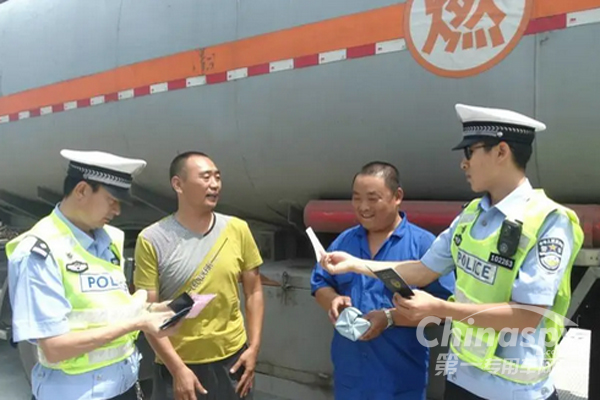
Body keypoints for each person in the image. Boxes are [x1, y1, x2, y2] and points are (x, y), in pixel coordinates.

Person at [318, 104, 584, 400]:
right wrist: (356, 264)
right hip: (461, 379)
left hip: (514, 391)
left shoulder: (549, 222)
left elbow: (525, 317)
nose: (463, 164)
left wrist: (438, 308)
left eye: (470, 152)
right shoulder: (471, 216)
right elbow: (422, 270)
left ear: (501, 152)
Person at [6, 149, 180, 400]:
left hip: (124, 388)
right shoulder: (39, 252)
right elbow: (54, 348)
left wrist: (152, 311)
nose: (117, 211)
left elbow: (104, 309)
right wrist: (138, 323)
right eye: (112, 200)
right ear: (81, 191)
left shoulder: (109, 240)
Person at [310, 161, 455, 400]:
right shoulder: (345, 241)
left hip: (399, 382)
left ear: (397, 197)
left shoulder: (423, 246)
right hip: (350, 379)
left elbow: (445, 310)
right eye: (356, 198)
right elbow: (320, 282)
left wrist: (390, 318)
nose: (363, 207)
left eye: (372, 198)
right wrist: (333, 300)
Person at [133, 151, 264, 400]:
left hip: (232, 363)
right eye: (205, 177)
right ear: (178, 184)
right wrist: (177, 369)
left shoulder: (238, 229)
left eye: (217, 177)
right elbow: (147, 311)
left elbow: (254, 291)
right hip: (177, 365)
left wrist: (254, 348)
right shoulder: (152, 239)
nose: (214, 184)